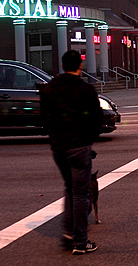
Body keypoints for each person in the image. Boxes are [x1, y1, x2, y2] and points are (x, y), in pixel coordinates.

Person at [39, 50, 103, 254]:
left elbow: (44, 120)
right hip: (79, 145)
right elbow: (97, 119)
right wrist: (89, 138)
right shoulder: (86, 89)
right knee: (81, 193)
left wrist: (54, 135)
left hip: (59, 146)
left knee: (69, 188)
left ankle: (68, 233)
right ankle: (80, 240)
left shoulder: (50, 89)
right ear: (80, 66)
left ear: (62, 64)